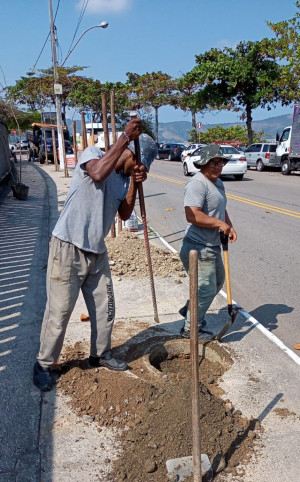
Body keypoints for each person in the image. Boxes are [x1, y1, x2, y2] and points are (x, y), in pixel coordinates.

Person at [33, 119, 157, 391]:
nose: (135, 169)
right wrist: (125, 136)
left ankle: (99, 354)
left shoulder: (123, 181)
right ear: (129, 153)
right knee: (60, 311)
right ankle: (43, 364)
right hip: (67, 246)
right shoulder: (95, 156)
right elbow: (99, 174)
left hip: (96, 252)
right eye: (136, 164)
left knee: (105, 308)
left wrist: (134, 183)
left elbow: (125, 215)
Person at [179, 143, 237, 341]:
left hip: (211, 246)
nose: (217, 166)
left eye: (220, 162)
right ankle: (189, 328)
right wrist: (219, 223)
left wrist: (228, 225)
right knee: (206, 289)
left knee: (218, 282)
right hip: (197, 246)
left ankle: (190, 309)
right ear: (203, 163)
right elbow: (192, 215)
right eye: (213, 162)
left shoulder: (217, 182)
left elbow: (221, 208)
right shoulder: (197, 184)